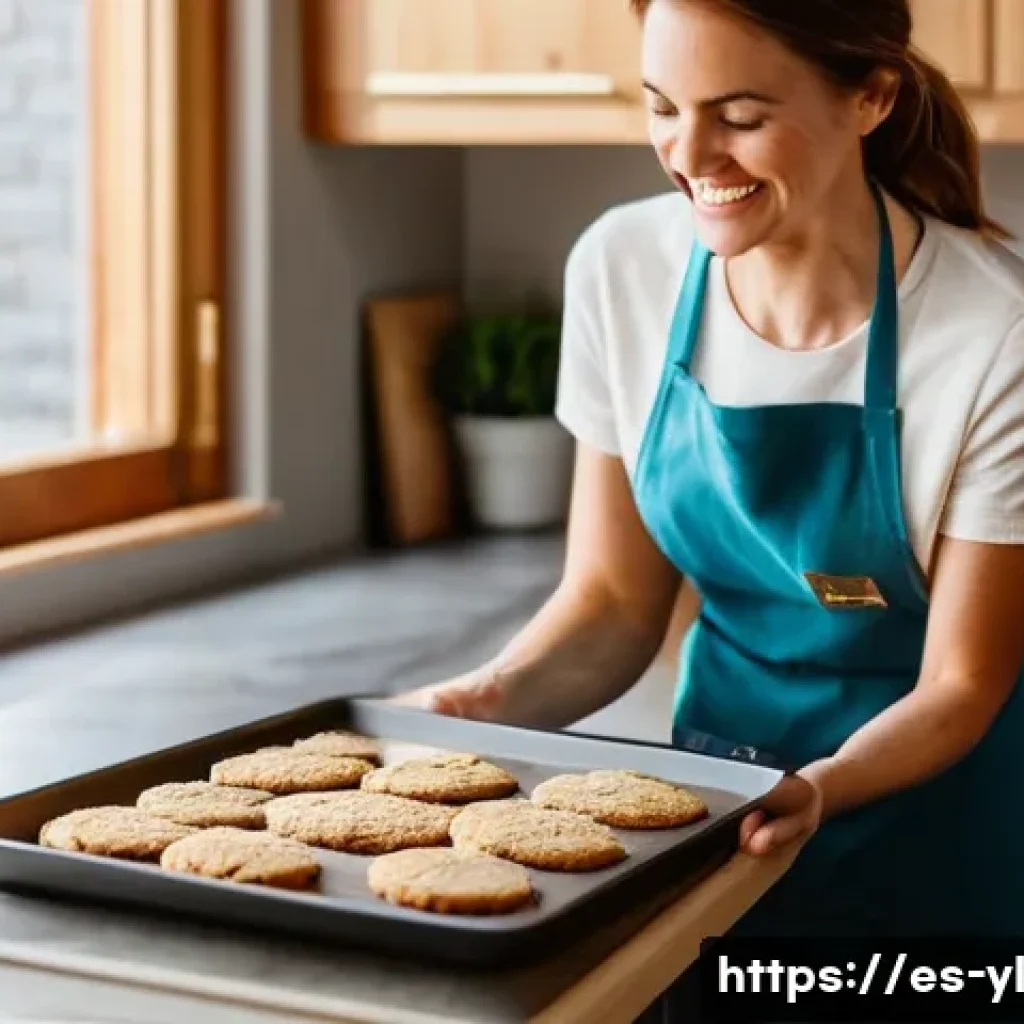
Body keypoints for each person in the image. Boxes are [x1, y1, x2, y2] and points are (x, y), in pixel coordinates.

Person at [397, 0, 1024, 948]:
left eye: (739, 117)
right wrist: (473, 702)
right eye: (662, 106)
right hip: (712, 808)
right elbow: (612, 604)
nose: (692, 154)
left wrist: (819, 788)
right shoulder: (623, 266)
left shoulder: (994, 332)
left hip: (943, 822)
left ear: (873, 97)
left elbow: (962, 685)